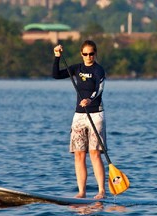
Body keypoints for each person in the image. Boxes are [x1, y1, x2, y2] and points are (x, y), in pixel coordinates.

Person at [52, 40, 107, 199]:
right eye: (85, 54)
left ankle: (101, 191)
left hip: (95, 114)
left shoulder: (99, 70)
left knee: (94, 153)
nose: (88, 57)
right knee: (79, 154)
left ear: (95, 54)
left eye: (91, 54)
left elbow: (99, 89)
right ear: (81, 54)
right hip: (79, 115)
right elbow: (56, 75)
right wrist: (57, 57)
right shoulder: (77, 68)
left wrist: (90, 99)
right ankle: (82, 192)